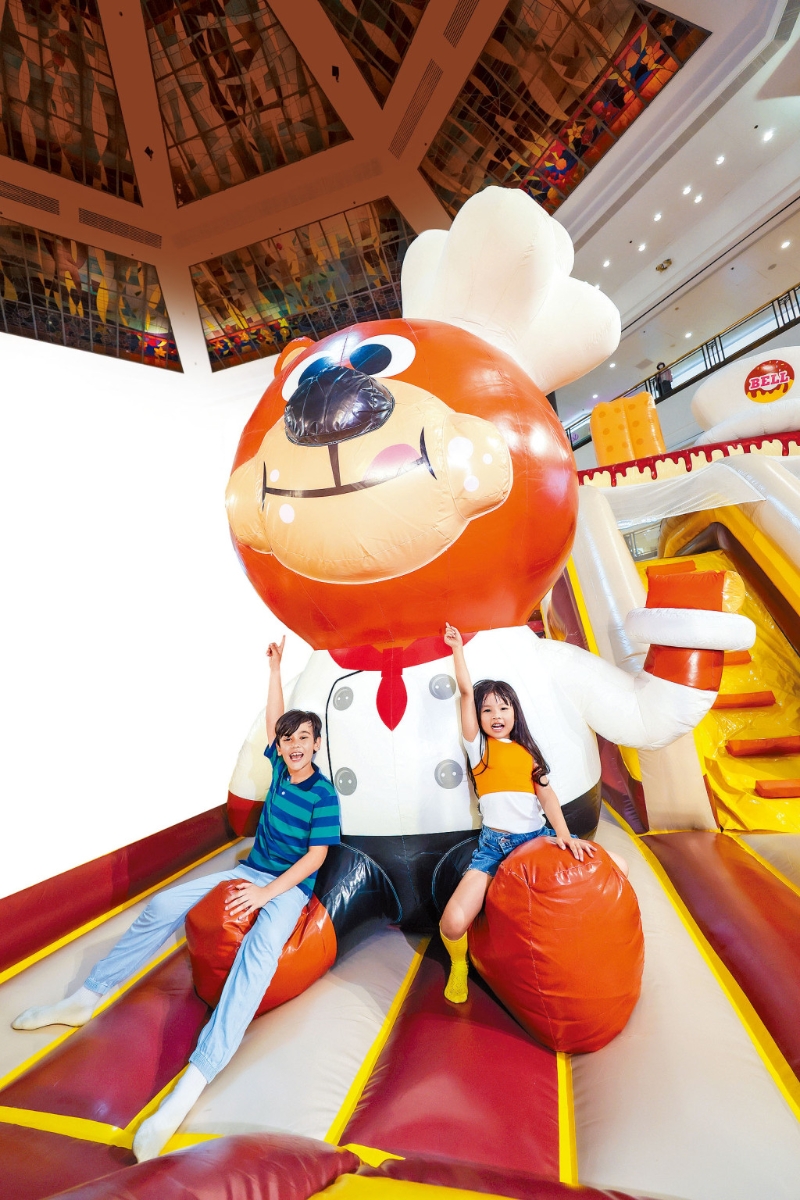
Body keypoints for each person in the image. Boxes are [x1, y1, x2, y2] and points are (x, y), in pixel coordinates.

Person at [12, 637, 340, 1161]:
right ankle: (88, 997)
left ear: (317, 745)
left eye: (304, 738)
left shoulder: (323, 795)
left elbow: (316, 858)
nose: (294, 744)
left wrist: (264, 895)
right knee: (163, 905)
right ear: (280, 748)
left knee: (259, 954)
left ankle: (195, 1078)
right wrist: (276, 670)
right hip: (251, 869)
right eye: (288, 739)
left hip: (288, 890)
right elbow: (273, 719)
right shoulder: (280, 768)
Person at [438, 623, 625, 1005]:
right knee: (453, 922)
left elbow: (548, 797)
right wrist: (457, 649)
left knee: (617, 865)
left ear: (514, 712)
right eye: (487, 709)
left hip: (536, 840)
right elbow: (464, 692)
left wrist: (565, 836)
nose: (495, 714)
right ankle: (459, 964)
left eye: (503, 707)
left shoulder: (527, 752)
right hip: (494, 848)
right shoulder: (479, 749)